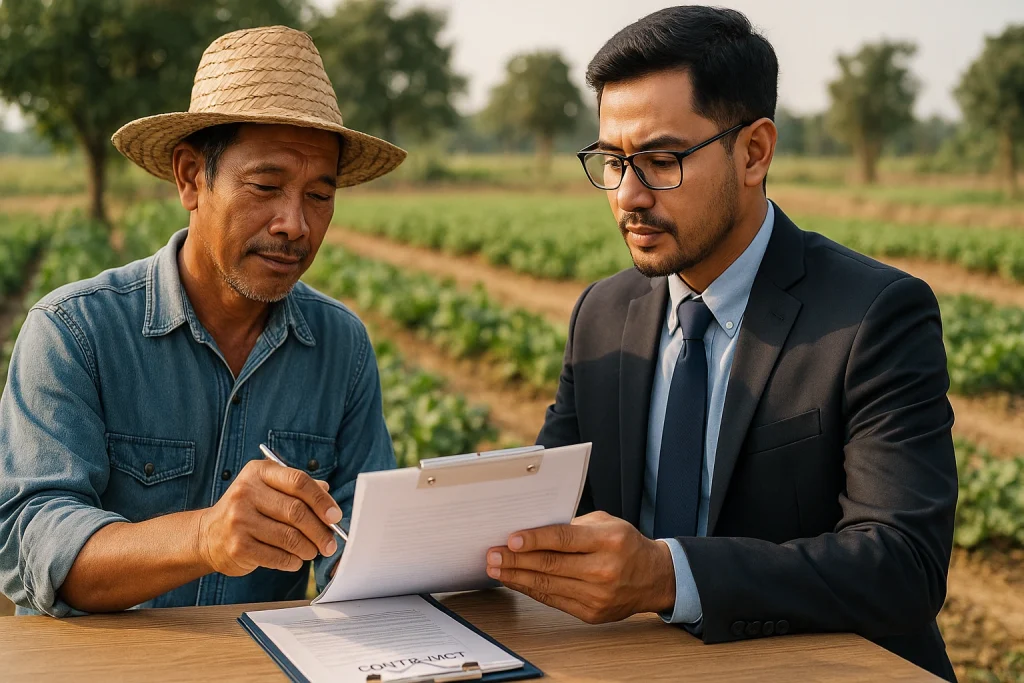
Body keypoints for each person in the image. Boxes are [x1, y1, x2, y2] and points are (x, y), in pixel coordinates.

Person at [484, 7, 957, 681]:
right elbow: (551, 499)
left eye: (661, 160)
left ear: (754, 152)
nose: (628, 196)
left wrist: (667, 575)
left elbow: (902, 563)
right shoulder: (603, 313)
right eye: (612, 161)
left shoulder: (874, 316)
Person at [0, 25, 406, 617]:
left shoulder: (340, 346)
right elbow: (30, 543)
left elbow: (359, 536)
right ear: (191, 177)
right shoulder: (74, 332)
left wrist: (399, 549)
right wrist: (204, 538)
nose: (295, 223)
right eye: (266, 185)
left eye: (320, 196)